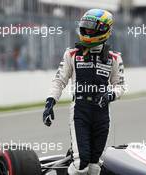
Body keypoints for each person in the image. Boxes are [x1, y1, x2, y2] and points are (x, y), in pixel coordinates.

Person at [43, 9, 125, 175]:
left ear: (105, 30)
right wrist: (50, 102)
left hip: (103, 114)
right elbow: (59, 81)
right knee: (81, 164)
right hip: (80, 110)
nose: (87, 31)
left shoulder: (114, 58)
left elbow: (120, 86)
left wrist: (110, 95)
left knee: (95, 167)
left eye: (91, 28)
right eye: (85, 27)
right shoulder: (71, 54)